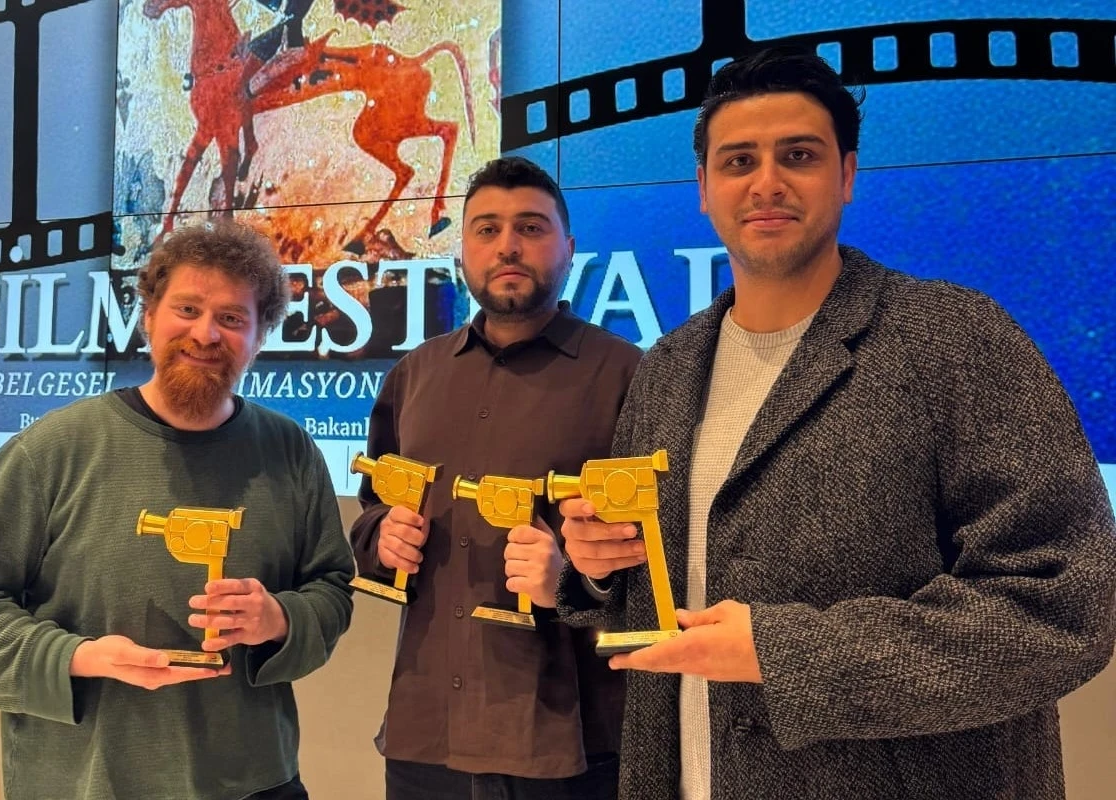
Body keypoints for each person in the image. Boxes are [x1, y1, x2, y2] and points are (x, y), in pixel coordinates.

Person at [556, 46, 1116, 800]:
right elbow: (659, 594)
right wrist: (599, 566)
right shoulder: (667, 368)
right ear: (704, 189)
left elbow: (1063, 606)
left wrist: (785, 653)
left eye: (799, 155)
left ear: (847, 175)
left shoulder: (955, 339)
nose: (767, 182)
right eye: (739, 161)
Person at [0, 221, 354, 800]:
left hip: (257, 784)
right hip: (87, 785)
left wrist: (279, 618)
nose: (205, 333)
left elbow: (331, 590)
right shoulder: (51, 450)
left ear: (259, 336)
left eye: (231, 318)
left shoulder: (290, 451)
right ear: (148, 316)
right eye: (187, 309)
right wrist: (78, 657)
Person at [349, 156, 642, 799]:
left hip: (571, 748)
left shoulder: (631, 375)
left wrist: (575, 578)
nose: (507, 245)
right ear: (462, 251)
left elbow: (672, 552)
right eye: (486, 229)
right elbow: (373, 506)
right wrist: (380, 537)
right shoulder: (414, 374)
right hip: (426, 735)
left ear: (570, 247)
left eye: (531, 227)